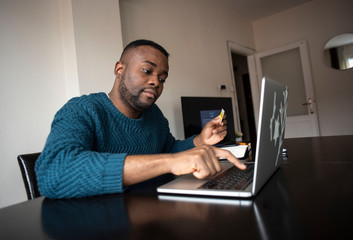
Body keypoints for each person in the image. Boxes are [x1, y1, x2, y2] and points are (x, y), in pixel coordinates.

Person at [35, 39, 246, 199]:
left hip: (150, 213)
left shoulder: (154, 116)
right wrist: (170, 162)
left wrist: (199, 141)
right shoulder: (82, 109)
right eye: (147, 71)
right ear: (119, 69)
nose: (156, 82)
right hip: (101, 224)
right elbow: (53, 171)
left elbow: (168, 149)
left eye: (162, 78)